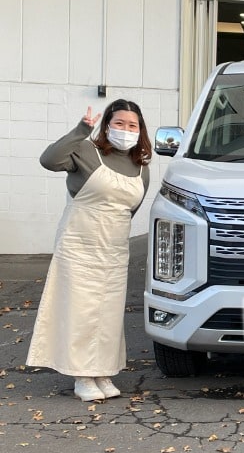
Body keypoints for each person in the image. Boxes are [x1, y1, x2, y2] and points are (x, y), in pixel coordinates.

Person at [26, 100, 151, 401]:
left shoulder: (141, 168)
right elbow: (49, 159)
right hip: (79, 245)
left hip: (114, 248)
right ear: (107, 125)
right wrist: (82, 129)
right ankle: (82, 375)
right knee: (80, 309)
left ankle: (103, 372)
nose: (125, 130)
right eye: (119, 123)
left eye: (132, 125)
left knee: (107, 313)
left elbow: (131, 209)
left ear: (140, 130)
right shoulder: (85, 151)